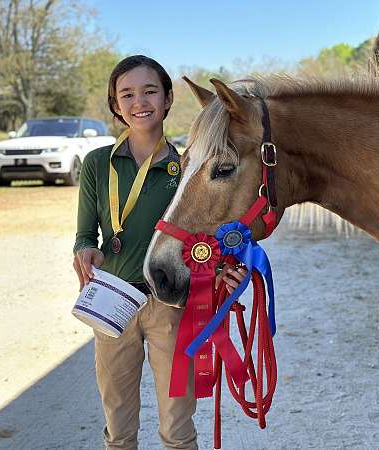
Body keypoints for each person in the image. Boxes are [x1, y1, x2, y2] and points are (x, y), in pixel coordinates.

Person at [72, 55, 246, 450]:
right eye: (127, 94)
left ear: (168, 99)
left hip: (170, 304)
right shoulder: (99, 164)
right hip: (113, 301)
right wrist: (84, 251)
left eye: (150, 91)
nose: (139, 102)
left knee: (177, 425)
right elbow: (85, 234)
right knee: (118, 426)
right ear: (116, 106)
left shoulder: (188, 164)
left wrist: (218, 270)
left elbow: (206, 238)